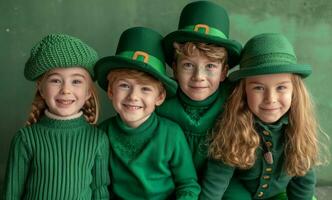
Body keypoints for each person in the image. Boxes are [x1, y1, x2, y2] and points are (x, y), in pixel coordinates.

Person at [200, 33, 325, 200]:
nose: (270, 99)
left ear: (294, 91)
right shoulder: (234, 125)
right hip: (239, 192)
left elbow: (303, 181)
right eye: (258, 88)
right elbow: (216, 180)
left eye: (281, 88)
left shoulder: (300, 128)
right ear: (244, 91)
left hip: (278, 193)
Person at [94, 27, 201, 200]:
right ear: (111, 91)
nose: (133, 97)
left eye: (145, 89)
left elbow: (187, 185)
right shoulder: (101, 134)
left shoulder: (171, 134)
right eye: (124, 86)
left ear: (159, 97)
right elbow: (99, 186)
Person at [3, 34, 110, 199]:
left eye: (76, 81)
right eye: (55, 81)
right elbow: (11, 193)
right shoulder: (25, 139)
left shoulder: (97, 139)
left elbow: (99, 191)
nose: (66, 90)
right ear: (41, 88)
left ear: (88, 91)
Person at [157, 0, 242, 181]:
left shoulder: (233, 101)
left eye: (210, 66)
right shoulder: (160, 102)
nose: (198, 76)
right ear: (175, 68)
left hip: (222, 184)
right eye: (188, 65)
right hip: (171, 183)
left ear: (224, 72)